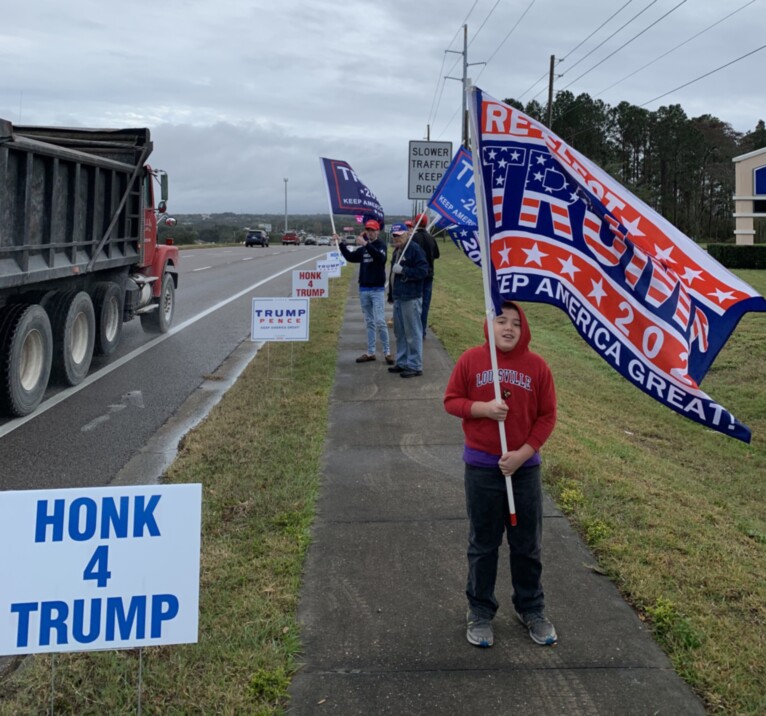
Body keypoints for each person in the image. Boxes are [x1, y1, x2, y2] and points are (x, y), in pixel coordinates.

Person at [443, 301, 557, 648]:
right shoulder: (471, 361)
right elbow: (451, 400)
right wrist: (483, 409)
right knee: (484, 543)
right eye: (501, 321)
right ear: (488, 325)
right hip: (481, 468)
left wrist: (523, 454)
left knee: (526, 544)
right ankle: (479, 609)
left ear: (525, 331)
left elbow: (547, 416)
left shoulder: (537, 367)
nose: (508, 328)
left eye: (516, 324)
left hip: (523, 471)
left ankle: (531, 607)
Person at [334, 219, 393, 365]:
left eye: (373, 230)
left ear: (378, 231)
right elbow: (351, 257)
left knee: (380, 321)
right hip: (364, 288)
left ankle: (387, 352)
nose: (370, 232)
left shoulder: (381, 245)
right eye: (368, 230)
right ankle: (371, 352)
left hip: (377, 289)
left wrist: (366, 244)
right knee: (369, 322)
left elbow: (380, 259)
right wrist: (340, 243)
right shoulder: (363, 248)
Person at [387, 223, 429, 378]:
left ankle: (415, 365)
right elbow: (392, 276)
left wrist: (404, 270)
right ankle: (403, 361)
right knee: (400, 332)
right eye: (394, 235)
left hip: (411, 297)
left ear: (406, 234)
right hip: (399, 296)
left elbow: (423, 271)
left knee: (412, 332)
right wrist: (391, 295)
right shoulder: (397, 251)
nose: (396, 237)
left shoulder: (414, 249)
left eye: (399, 235)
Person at [410, 213, 440, 339]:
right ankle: (422, 332)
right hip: (429, 276)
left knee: (414, 305)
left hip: (416, 276)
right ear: (426, 224)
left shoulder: (413, 238)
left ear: (415, 223)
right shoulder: (431, 238)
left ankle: (415, 331)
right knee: (425, 305)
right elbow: (437, 255)